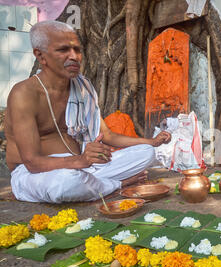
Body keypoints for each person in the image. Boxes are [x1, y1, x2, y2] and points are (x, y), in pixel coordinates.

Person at [4, 21, 172, 203]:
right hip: (37, 174)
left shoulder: (82, 88)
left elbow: (105, 135)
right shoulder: (24, 94)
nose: (74, 56)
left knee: (146, 152)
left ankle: (95, 184)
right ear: (40, 55)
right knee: (65, 184)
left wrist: (151, 141)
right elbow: (32, 162)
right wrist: (81, 160)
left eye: (77, 50)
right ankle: (117, 184)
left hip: (82, 166)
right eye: (63, 50)